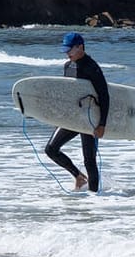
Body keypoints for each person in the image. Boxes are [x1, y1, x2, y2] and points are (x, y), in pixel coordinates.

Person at [45, 32, 109, 191]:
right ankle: (78, 177)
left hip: (89, 119)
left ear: (80, 47)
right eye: (66, 50)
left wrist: (102, 124)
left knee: (89, 160)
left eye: (70, 50)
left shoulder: (92, 67)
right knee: (51, 149)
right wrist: (58, 119)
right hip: (72, 117)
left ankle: (94, 198)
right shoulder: (68, 66)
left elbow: (104, 96)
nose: (67, 53)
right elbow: (68, 96)